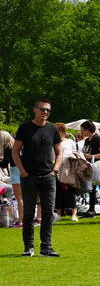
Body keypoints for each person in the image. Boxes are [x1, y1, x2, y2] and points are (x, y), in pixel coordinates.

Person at [13, 100, 62, 256]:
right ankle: (29, 247)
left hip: (48, 176)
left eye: (48, 110)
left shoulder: (53, 129)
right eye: (42, 109)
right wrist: (22, 171)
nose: (45, 112)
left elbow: (59, 153)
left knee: (48, 213)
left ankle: (46, 247)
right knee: (28, 213)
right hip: (29, 176)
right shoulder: (25, 128)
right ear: (35, 109)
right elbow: (16, 151)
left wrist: (55, 170)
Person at [76, 121, 100, 217]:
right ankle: (91, 209)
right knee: (91, 189)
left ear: (87, 130)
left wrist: (91, 156)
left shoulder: (98, 139)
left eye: (82, 129)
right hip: (90, 167)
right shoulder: (87, 140)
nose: (81, 131)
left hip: (97, 167)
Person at [54, 123, 78, 222]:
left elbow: (75, 153)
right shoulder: (53, 142)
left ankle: (74, 214)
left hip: (69, 169)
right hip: (57, 169)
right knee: (58, 192)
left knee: (71, 192)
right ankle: (59, 213)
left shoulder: (70, 142)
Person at [0, 130, 21, 226]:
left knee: (18, 197)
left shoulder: (8, 147)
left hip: (15, 171)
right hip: (20, 170)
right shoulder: (16, 145)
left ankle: (20, 220)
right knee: (21, 197)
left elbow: (4, 164)